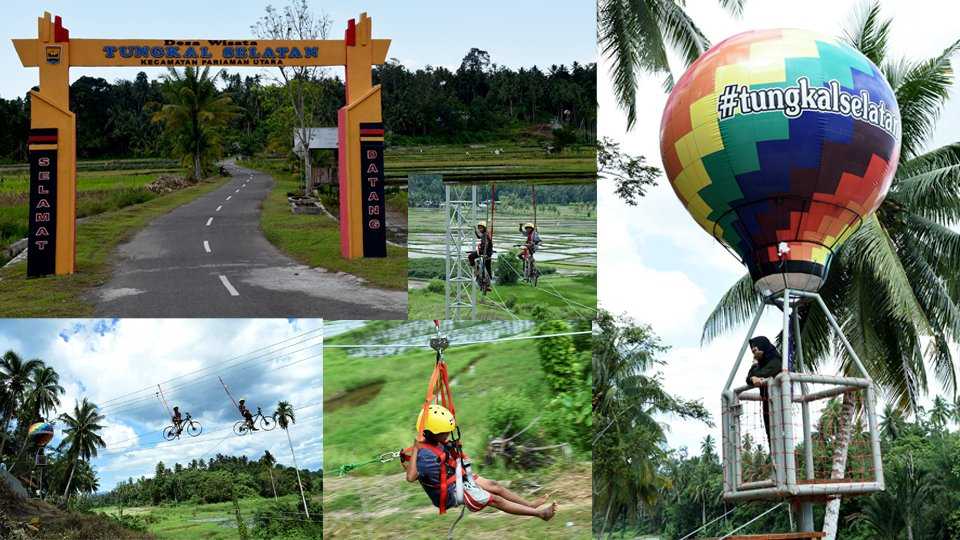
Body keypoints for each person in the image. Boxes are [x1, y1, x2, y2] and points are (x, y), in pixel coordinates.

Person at [401, 404, 556, 521]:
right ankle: (540, 514)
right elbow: (411, 477)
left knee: (495, 485)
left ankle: (529, 505)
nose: (448, 434)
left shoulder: (436, 440)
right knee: (495, 499)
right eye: (445, 432)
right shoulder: (425, 456)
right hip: (451, 493)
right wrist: (416, 448)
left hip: (457, 478)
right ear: (432, 432)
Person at [746, 336, 783, 447]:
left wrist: (753, 377)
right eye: (752, 351)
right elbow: (749, 377)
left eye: (755, 350)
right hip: (767, 403)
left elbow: (762, 374)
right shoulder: (760, 365)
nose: (754, 354)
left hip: (779, 404)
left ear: (763, 347)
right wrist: (752, 379)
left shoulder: (776, 361)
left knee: (781, 437)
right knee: (770, 437)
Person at [467, 221, 493, 292]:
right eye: (479, 228)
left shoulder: (485, 235)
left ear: (484, 228)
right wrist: (475, 231)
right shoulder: (485, 234)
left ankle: (474, 267)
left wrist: (484, 252)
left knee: (470, 257)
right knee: (488, 268)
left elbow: (486, 244)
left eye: (481, 228)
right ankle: (487, 283)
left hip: (484, 252)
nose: (480, 229)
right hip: (487, 253)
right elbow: (479, 236)